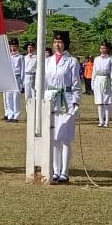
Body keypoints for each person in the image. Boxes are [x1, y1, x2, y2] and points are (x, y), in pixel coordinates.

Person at [44, 30, 81, 184]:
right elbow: (44, 83)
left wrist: (76, 102)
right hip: (51, 100)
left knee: (65, 138)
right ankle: (55, 170)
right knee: (53, 138)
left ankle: (64, 172)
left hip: (67, 100)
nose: (57, 45)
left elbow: (76, 83)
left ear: (65, 44)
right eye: (55, 42)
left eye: (60, 42)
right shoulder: (47, 61)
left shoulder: (72, 61)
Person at [92, 42, 112, 127]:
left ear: (107, 49)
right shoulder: (96, 59)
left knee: (106, 102)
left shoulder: (111, 59)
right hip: (98, 79)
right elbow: (94, 71)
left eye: (104, 48)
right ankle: (101, 121)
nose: (103, 50)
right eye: (101, 48)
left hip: (107, 79)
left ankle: (107, 121)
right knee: (99, 101)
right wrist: (93, 82)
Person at [3, 38, 23, 123]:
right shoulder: (8, 56)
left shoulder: (20, 57)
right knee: (9, 97)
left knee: (15, 97)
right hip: (9, 77)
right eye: (11, 46)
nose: (13, 48)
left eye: (14, 46)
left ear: (17, 46)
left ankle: (16, 115)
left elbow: (22, 69)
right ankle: (10, 114)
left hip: (17, 77)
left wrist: (22, 82)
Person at [23, 42, 38, 106]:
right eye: (29, 47)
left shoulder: (37, 57)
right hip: (26, 75)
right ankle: (28, 110)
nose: (30, 49)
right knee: (27, 94)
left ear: (34, 48)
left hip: (34, 75)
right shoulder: (24, 58)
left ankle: (35, 108)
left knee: (34, 93)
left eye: (31, 47)